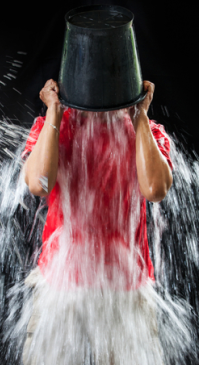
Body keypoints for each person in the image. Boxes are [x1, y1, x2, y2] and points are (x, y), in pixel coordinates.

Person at [20, 79, 173, 364]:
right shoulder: (51, 127)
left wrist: (139, 116)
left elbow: (155, 189)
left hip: (126, 293)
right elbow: (39, 184)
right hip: (61, 290)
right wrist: (54, 111)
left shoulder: (149, 133)